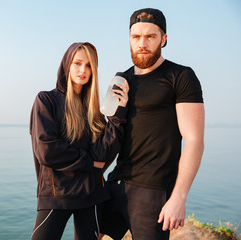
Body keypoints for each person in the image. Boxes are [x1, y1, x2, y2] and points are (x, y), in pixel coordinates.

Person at [100, 8, 205, 240]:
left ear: (164, 39)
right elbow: (111, 133)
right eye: (136, 37)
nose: (142, 43)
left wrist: (178, 198)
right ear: (129, 39)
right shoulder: (121, 78)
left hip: (152, 190)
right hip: (115, 182)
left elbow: (195, 141)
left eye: (150, 36)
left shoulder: (181, 76)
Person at [29, 42, 129, 240]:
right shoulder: (46, 101)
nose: (83, 70)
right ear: (67, 64)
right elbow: (47, 151)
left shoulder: (95, 111)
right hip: (56, 195)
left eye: (89, 65)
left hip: (91, 194)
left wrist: (118, 115)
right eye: (77, 63)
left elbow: (105, 153)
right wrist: (89, 162)